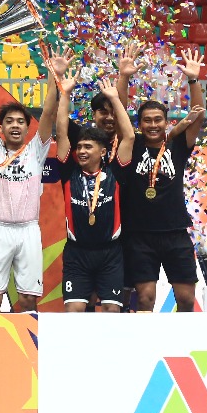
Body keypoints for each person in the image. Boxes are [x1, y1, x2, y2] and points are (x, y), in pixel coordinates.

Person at [0, 39, 68, 312]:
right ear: (1, 128)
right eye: (9, 121)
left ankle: (30, 340)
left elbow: (49, 113)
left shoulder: (35, 151)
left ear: (28, 128)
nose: (15, 125)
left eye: (20, 121)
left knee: (28, 299)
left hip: (28, 230)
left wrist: (55, 76)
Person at [121, 47, 207, 312]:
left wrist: (193, 79)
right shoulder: (131, 144)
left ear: (166, 122)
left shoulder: (177, 145)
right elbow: (118, 111)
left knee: (186, 299)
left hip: (175, 233)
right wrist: (124, 77)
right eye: (147, 120)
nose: (153, 125)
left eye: (158, 119)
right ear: (139, 125)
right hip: (139, 235)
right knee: (145, 298)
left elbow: (198, 114)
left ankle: (182, 337)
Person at [55, 71, 135, 312]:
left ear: (102, 152)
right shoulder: (68, 172)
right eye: (79, 146)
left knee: (112, 310)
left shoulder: (115, 172)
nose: (81, 151)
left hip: (110, 253)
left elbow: (129, 136)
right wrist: (65, 94)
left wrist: (116, 98)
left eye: (88, 147)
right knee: (74, 310)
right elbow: (61, 132)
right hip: (77, 253)